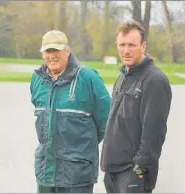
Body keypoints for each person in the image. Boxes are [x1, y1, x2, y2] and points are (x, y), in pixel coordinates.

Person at [30, 30, 111, 193]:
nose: (52, 56)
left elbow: (106, 121)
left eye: (56, 50)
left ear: (67, 51)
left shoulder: (88, 77)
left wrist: (82, 149)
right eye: (48, 51)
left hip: (77, 175)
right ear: (42, 54)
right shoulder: (37, 79)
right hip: (45, 171)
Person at [100, 21, 172, 193]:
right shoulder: (123, 76)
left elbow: (154, 135)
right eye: (122, 45)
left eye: (131, 45)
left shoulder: (154, 80)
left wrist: (138, 173)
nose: (126, 50)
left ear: (143, 46)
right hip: (113, 171)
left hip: (132, 175)